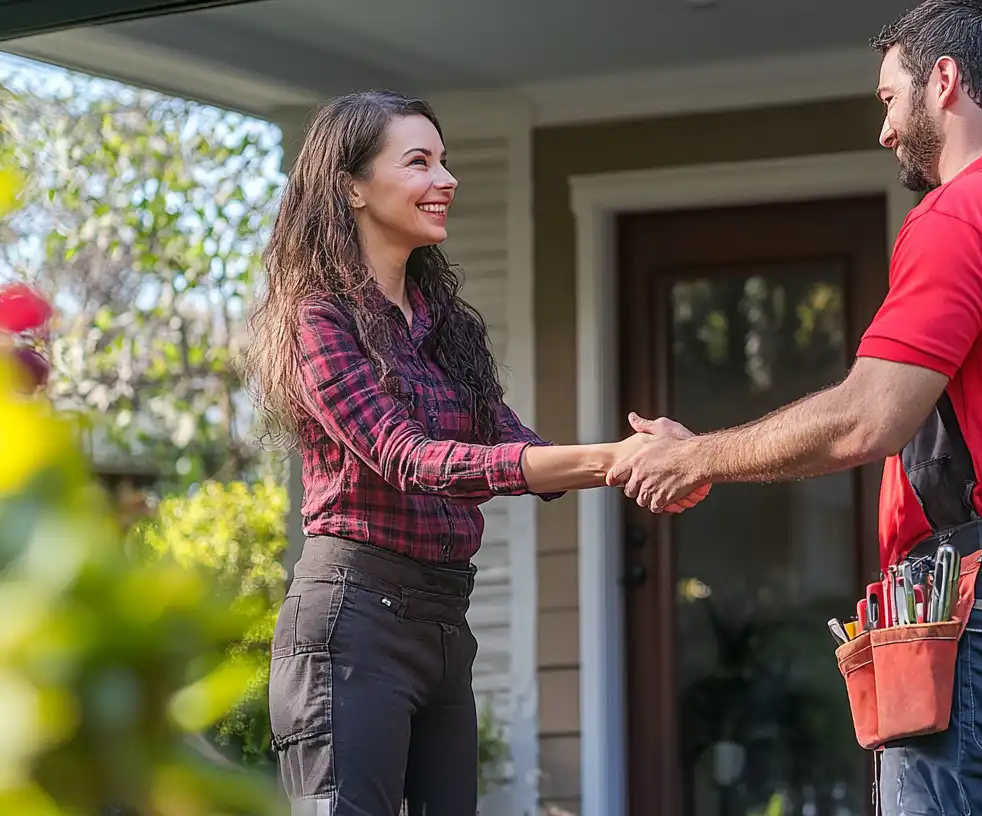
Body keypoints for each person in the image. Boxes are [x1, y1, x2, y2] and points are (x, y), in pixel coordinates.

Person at [608, 1, 982, 813]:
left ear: (945, 80)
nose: (886, 130)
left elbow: (872, 416)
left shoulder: (964, 213)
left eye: (890, 99)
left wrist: (694, 456)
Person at [244, 90, 705, 815]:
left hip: (443, 622)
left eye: (446, 160)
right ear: (351, 187)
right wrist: (609, 461)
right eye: (419, 161)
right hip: (354, 622)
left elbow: (505, 438)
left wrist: (635, 459)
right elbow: (409, 458)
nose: (446, 179)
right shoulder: (318, 319)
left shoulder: (444, 322)